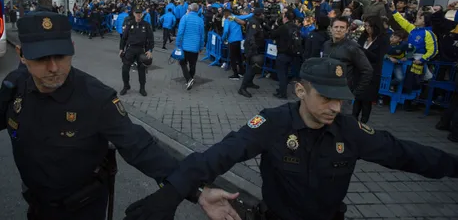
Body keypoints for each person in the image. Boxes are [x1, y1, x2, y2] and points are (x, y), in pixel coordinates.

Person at [0, 11, 238, 220]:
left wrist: (196, 191)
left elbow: (140, 147)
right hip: (36, 205)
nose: (53, 68)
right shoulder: (16, 84)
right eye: (41, 58)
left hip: (81, 210)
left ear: (72, 47)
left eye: (61, 56)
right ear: (22, 55)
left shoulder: (95, 97)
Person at [124, 57, 458, 220]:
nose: (335, 107)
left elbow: (403, 153)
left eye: (340, 99)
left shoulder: (348, 130)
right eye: (325, 98)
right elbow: (220, 155)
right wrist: (174, 191)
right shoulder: (272, 123)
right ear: (300, 90)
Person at [119, 6, 153, 97]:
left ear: (142, 14)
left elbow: (151, 39)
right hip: (130, 49)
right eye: (137, 13)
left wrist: (150, 50)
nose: (138, 15)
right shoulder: (130, 24)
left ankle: (142, 88)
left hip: (141, 50)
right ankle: (126, 86)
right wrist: (121, 48)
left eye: (140, 13)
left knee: (142, 70)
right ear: (134, 14)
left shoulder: (146, 25)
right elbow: (124, 37)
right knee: (125, 69)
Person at [175, 3, 205, 90]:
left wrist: (178, 44)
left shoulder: (185, 17)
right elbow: (202, 35)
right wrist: (201, 47)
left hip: (185, 46)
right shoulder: (200, 20)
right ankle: (190, 79)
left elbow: (180, 32)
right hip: (195, 47)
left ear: (189, 9)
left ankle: (189, 79)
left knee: (182, 63)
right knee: (193, 64)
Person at [238, 8, 264, 98]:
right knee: (250, 68)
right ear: (259, 14)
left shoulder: (256, 21)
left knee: (253, 68)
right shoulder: (254, 22)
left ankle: (249, 82)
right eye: (262, 14)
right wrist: (253, 48)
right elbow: (251, 36)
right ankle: (242, 88)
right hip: (252, 49)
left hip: (254, 47)